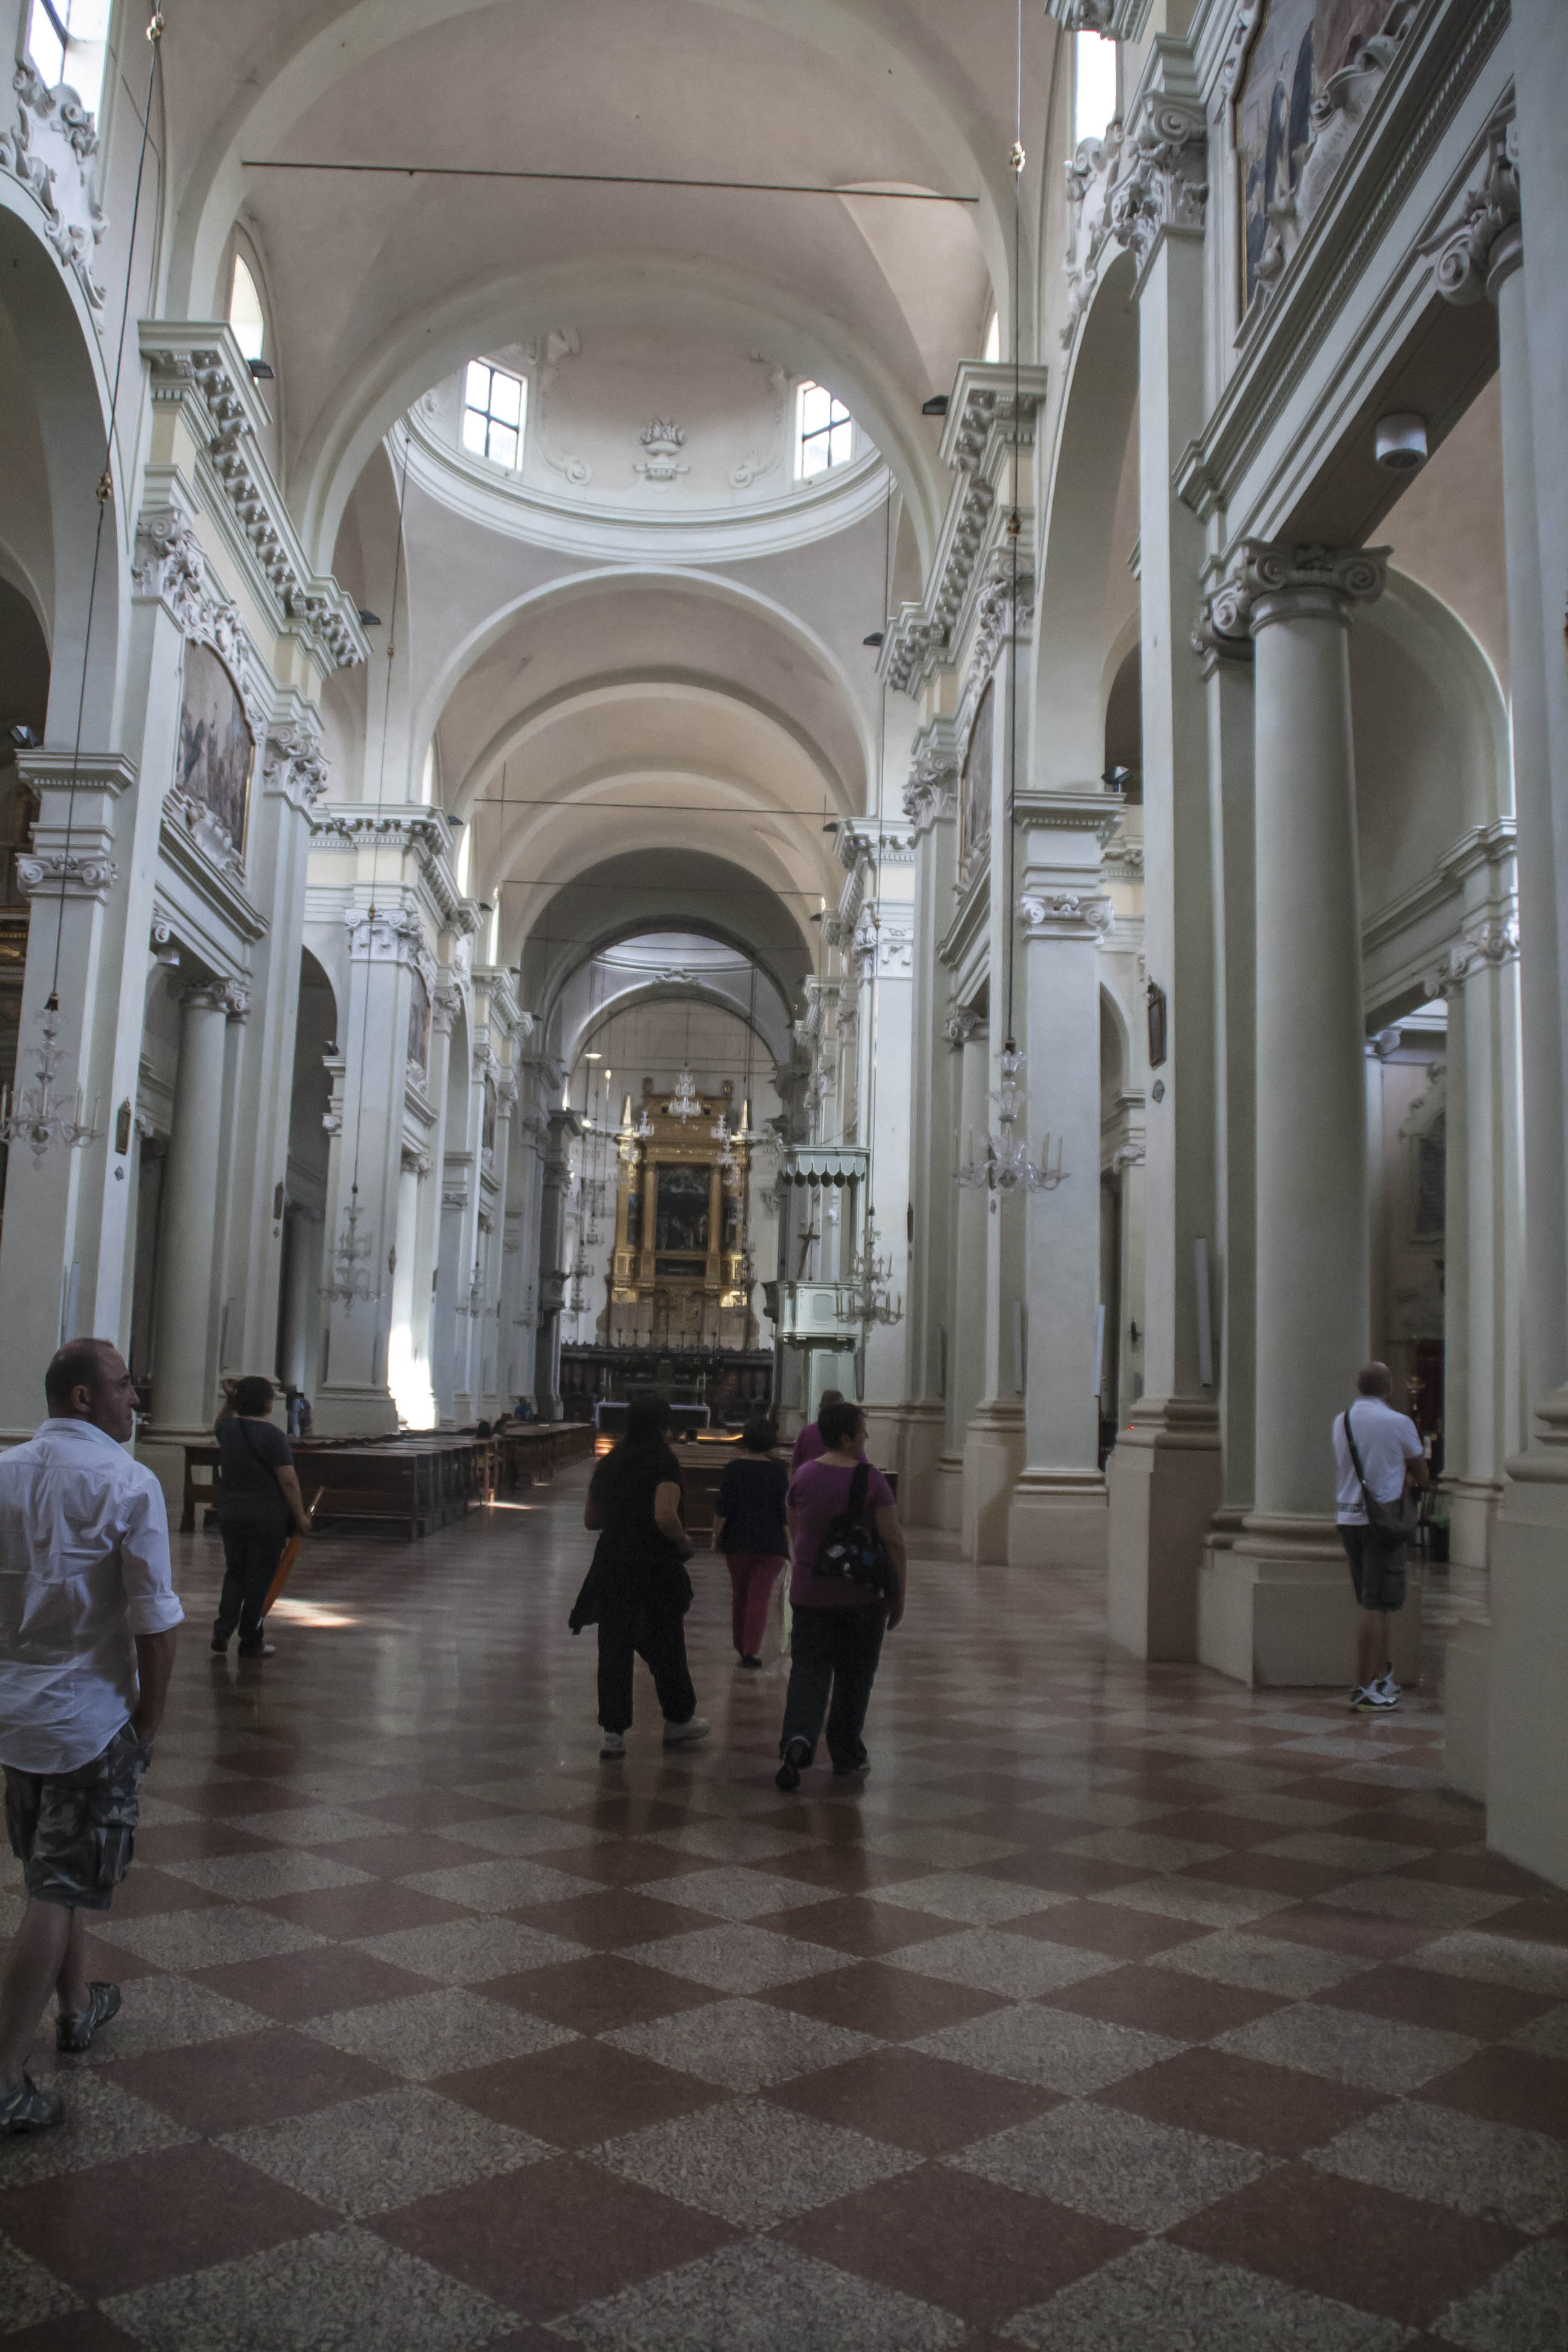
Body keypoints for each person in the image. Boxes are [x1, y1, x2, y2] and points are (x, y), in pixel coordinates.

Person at [0, 1339, 183, 2132]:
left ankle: (77, 2007)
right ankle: (7, 2072)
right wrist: (148, 1717)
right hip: (87, 1714)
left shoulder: (3, 1473)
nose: (135, 1399)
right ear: (81, 1398)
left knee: (56, 1866)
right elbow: (155, 1620)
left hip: (13, 1713)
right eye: (122, 1386)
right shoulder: (128, 1482)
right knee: (57, 1888)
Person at [776, 1399, 906, 1789]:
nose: (866, 1437)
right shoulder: (872, 1480)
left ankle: (798, 1738)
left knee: (808, 1670)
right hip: (860, 1597)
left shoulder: (803, 1477)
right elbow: (894, 1541)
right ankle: (847, 1754)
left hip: (810, 1592)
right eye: (863, 1431)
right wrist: (898, 1594)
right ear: (848, 1437)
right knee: (855, 1676)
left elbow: (796, 1530)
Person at [580, 1394, 709, 1760]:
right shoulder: (663, 1461)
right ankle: (678, 1719)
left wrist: (622, 1518)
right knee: (667, 1645)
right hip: (653, 1564)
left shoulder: (610, 1461)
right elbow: (665, 1516)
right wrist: (684, 1543)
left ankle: (613, 1733)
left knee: (614, 1647)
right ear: (663, 1425)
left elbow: (591, 1519)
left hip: (613, 1563)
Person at [1333, 1362, 1428, 1710]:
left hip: (1349, 1518)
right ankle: (1363, 1688)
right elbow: (1422, 1471)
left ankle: (1382, 1675)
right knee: (1376, 1605)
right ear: (1388, 1389)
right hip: (1383, 1524)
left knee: (1377, 1604)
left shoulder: (1341, 1421)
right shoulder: (1398, 1423)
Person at [211, 1376, 310, 1659]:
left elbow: (220, 1423)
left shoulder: (229, 1430)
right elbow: (288, 1481)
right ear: (267, 1403)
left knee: (235, 1572)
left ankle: (223, 1628)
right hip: (266, 1518)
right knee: (260, 1580)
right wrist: (301, 1516)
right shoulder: (273, 1436)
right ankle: (251, 1640)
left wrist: (230, 1400)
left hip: (231, 1513)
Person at [712, 1416, 789, 1668]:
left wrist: (716, 1537)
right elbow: (783, 1513)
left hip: (738, 1540)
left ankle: (740, 1643)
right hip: (770, 1543)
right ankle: (750, 1650)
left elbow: (724, 1508)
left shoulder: (734, 1468)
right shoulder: (779, 1471)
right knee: (760, 1596)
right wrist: (791, 1545)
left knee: (740, 1595)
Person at [789, 1388, 860, 1475]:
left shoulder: (806, 1432)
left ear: (821, 1407)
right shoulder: (847, 1434)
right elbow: (863, 1466)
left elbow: (794, 1468)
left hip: (809, 1480)